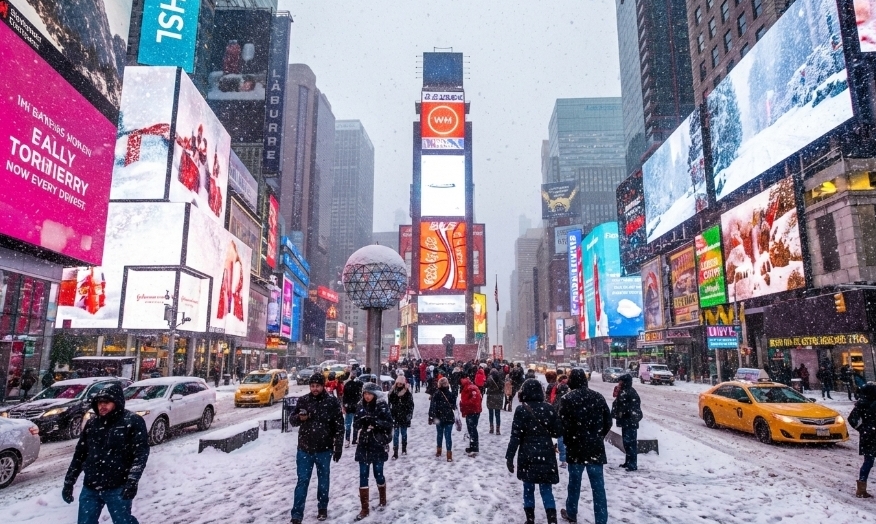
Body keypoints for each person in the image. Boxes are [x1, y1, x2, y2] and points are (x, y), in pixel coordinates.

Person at [62, 382, 150, 524]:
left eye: (107, 402)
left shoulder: (132, 421)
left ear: (117, 402)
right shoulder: (92, 424)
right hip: (91, 486)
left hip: (118, 486)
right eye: (99, 402)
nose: (102, 406)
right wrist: (69, 482)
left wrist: (132, 480)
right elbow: (80, 454)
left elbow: (141, 453)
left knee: (123, 521)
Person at [288, 373, 345, 523]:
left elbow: (339, 426)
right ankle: (296, 515)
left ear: (323, 386)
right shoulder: (303, 400)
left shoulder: (332, 403)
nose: (315, 389)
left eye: (317, 386)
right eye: (312, 386)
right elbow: (292, 420)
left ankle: (322, 508)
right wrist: (299, 418)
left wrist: (338, 446)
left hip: (324, 450)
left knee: (323, 481)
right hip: (304, 449)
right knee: (302, 482)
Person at [557, 369, 611, 524]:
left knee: (574, 483)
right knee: (598, 487)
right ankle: (601, 519)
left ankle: (572, 512)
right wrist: (597, 436)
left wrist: (569, 438)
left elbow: (562, 424)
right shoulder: (598, 397)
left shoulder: (568, 399)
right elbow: (608, 421)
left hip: (575, 448)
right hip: (595, 448)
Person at [506, 379, 563, 524]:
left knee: (528, 487)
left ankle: (530, 519)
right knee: (546, 489)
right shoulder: (549, 408)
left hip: (527, 453)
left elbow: (515, 436)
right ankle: (552, 519)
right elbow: (557, 432)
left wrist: (510, 457)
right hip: (546, 452)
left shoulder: (521, 410)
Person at [353, 382, 394, 520]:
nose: (367, 396)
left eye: (369, 394)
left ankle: (382, 498)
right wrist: (362, 422)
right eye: (365, 393)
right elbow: (355, 423)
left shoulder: (382, 406)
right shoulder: (360, 405)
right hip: (363, 445)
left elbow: (389, 424)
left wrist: (375, 422)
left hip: (377, 445)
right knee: (363, 476)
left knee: (378, 474)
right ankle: (364, 508)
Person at [611, 374, 642, 472]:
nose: (619, 383)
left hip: (630, 422)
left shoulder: (630, 392)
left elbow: (632, 407)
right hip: (626, 421)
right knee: (626, 443)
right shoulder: (624, 391)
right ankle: (628, 462)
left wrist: (622, 413)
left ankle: (632, 464)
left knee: (630, 443)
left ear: (625, 382)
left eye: (621, 381)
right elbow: (618, 403)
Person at [850, 383, 876, 498]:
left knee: (868, 462)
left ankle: (861, 489)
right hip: (871, 434)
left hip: (867, 435)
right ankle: (861, 490)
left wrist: (861, 429)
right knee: (868, 462)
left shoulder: (861, 404)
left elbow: (851, 419)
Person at [428, 376, 457, 462]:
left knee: (439, 434)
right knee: (448, 436)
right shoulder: (451, 394)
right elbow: (454, 406)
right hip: (449, 417)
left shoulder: (436, 394)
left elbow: (432, 406)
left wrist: (431, 417)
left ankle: (439, 451)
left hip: (439, 417)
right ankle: (449, 454)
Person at [546, 372, 570, 468]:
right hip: (569, 421)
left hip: (560, 419)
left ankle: (563, 459)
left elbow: (553, 404)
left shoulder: (557, 393)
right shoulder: (570, 393)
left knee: (560, 439)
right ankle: (567, 458)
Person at [388, 376, 414, 459]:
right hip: (395, 415)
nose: (399, 384)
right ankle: (395, 451)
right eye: (398, 383)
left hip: (404, 415)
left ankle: (404, 448)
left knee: (403, 433)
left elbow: (410, 405)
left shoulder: (407, 393)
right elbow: (390, 402)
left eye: (400, 383)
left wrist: (409, 414)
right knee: (395, 434)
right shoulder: (393, 392)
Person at [459, 376, 483, 456]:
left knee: (472, 429)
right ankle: (472, 446)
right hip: (472, 411)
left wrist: (465, 404)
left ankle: (475, 447)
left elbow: (474, 400)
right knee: (471, 429)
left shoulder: (470, 388)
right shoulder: (470, 388)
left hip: (473, 411)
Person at [342, 370, 363, 448]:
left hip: (349, 408)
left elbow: (344, 396)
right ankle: (354, 439)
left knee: (348, 425)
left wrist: (344, 406)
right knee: (355, 425)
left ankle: (347, 440)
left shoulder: (347, 384)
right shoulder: (359, 384)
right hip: (356, 407)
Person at [486, 368, 505, 435]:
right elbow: (503, 387)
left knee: (491, 414)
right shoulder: (500, 380)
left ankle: (491, 428)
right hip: (498, 398)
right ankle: (498, 429)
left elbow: (486, 386)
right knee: (497, 414)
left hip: (491, 397)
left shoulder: (489, 379)